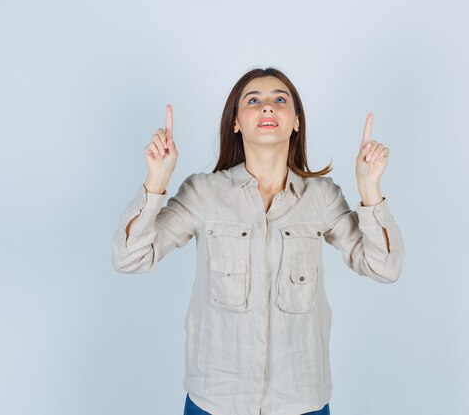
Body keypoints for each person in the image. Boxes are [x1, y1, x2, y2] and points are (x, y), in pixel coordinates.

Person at [112, 67, 405, 415]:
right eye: (253, 100)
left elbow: (384, 267)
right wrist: (156, 180)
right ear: (236, 122)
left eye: (280, 100)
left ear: (296, 121)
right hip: (215, 402)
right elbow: (130, 258)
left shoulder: (321, 197)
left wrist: (369, 187)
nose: (268, 107)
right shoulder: (203, 193)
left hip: (301, 402)